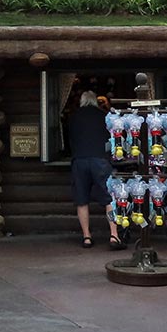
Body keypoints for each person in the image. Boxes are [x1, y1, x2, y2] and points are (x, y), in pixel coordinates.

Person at [67, 91, 121, 250]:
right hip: (100, 160)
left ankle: (87, 236)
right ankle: (114, 234)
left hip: (80, 160)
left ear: (82, 101)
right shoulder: (104, 116)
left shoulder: (74, 117)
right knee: (109, 199)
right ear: (95, 101)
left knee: (82, 200)